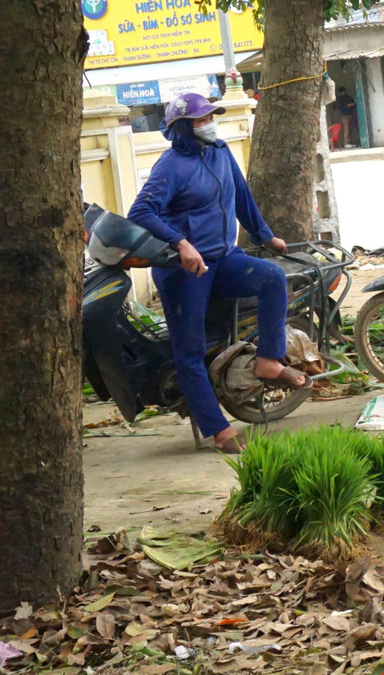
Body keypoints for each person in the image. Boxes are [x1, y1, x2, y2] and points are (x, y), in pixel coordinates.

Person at [126, 93, 300, 454]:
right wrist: (180, 244)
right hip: (184, 270)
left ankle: (268, 361)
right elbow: (141, 212)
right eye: (202, 120)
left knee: (272, 278)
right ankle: (218, 430)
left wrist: (266, 236)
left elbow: (242, 198)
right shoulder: (170, 166)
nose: (210, 124)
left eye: (211, 118)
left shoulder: (220, 151)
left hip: (224, 258)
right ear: (184, 129)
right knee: (189, 350)